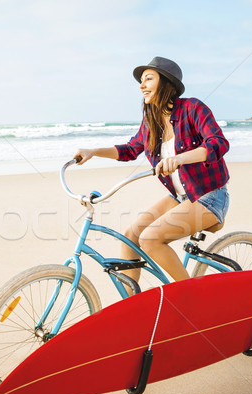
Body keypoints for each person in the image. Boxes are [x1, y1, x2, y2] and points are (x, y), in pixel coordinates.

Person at [74, 56, 230, 288]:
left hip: (209, 196)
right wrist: (93, 151)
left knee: (150, 238)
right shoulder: (151, 121)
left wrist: (180, 159)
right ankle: (134, 307)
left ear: (166, 83)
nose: (141, 85)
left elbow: (218, 143)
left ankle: (194, 297)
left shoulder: (192, 108)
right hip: (180, 198)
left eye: (148, 78)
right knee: (130, 236)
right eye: (141, 80)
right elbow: (129, 150)